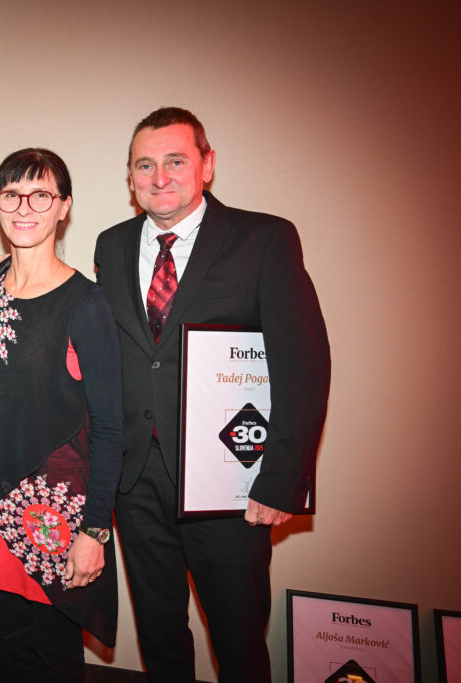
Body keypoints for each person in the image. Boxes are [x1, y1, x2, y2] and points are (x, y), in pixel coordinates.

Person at [94, 107, 331, 682]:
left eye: (175, 161)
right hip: (137, 480)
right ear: (130, 176)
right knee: (160, 636)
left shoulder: (265, 238)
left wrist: (282, 479)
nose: (159, 177)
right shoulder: (111, 245)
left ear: (208, 164)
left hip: (230, 485)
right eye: (144, 165)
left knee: (238, 639)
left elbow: (303, 363)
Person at [0, 148, 125, 682]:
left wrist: (94, 531)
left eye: (41, 195)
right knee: (7, 645)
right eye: (12, 195)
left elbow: (110, 426)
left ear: (64, 207)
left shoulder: (86, 303)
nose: (24, 207)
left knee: (53, 656)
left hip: (54, 516)